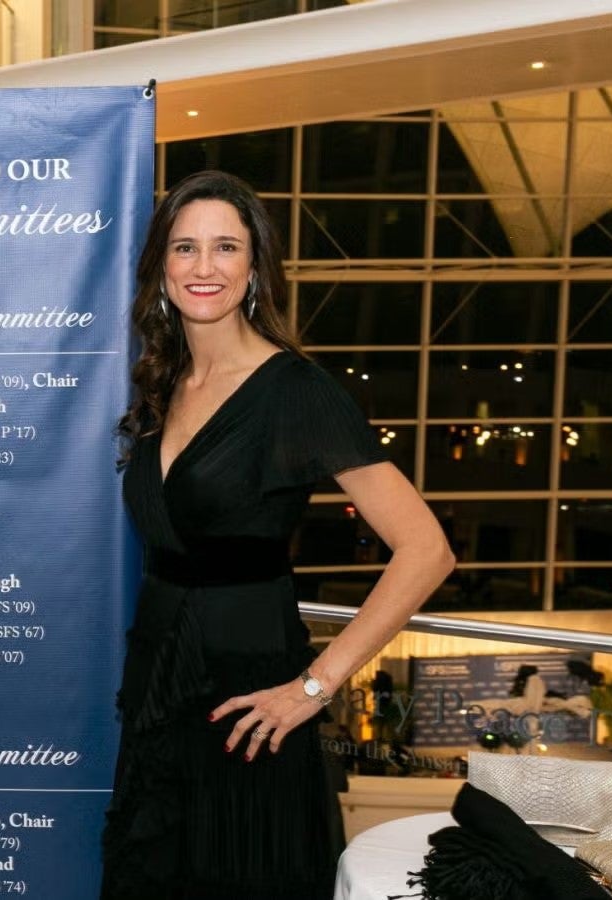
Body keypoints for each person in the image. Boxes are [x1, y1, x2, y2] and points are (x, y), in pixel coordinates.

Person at [100, 171, 454, 898]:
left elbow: (427, 550)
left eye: (225, 247)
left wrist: (313, 687)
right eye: (185, 247)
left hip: (250, 704)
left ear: (255, 267)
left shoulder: (296, 392)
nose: (204, 267)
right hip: (160, 688)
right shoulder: (165, 382)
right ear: (160, 268)